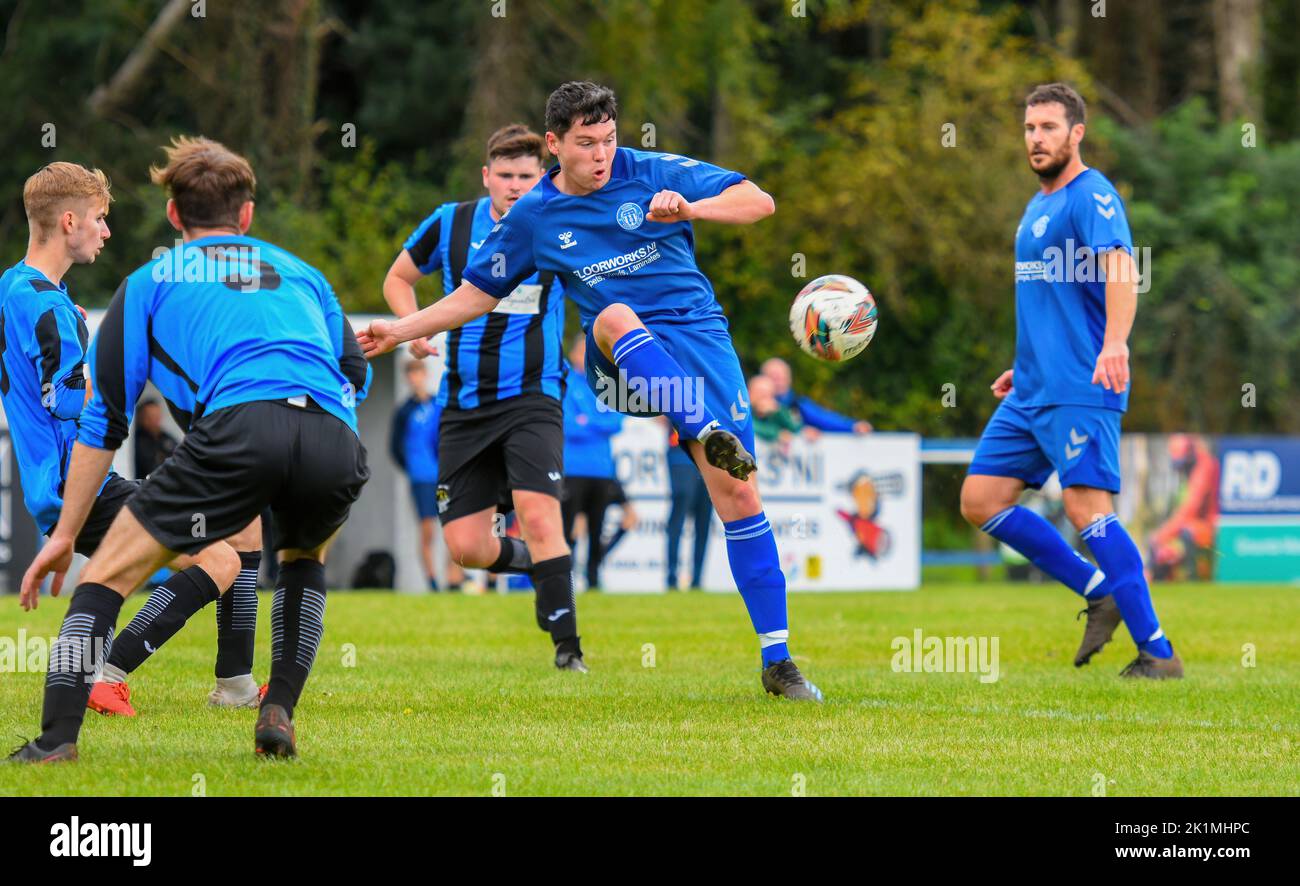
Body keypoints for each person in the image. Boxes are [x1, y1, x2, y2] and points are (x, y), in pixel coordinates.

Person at [362, 81, 823, 701]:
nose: (602, 155)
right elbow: (474, 295)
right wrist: (400, 331)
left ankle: (778, 659)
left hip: (699, 339)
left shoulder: (652, 170)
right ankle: (699, 425)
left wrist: (691, 209)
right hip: (620, 361)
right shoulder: (536, 215)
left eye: (608, 140)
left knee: (739, 495)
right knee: (611, 317)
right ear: (554, 145)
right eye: (585, 144)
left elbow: (758, 202)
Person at [10, 136, 370, 763]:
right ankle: (270, 704)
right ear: (249, 216)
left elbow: (104, 417)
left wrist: (64, 533)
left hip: (240, 433)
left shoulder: (150, 281)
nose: (105, 228)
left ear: (174, 217)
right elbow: (355, 374)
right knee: (292, 557)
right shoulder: (303, 273)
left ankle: (57, 738)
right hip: (333, 440)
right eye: (98, 216)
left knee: (106, 580)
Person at [0, 161, 263, 729]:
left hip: (61, 480)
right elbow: (68, 398)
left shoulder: (15, 286)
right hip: (77, 482)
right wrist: (116, 374)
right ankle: (110, 673)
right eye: (99, 219)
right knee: (220, 560)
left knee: (239, 529)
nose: (106, 230)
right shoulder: (48, 305)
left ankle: (235, 684)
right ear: (69, 221)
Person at [959, 83, 1182, 679]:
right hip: (1031, 387)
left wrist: (1115, 344)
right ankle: (1096, 589)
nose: (1036, 139)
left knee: (1088, 511)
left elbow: (1121, 270)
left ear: (1076, 133)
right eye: (1030, 128)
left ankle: (1158, 654)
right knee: (980, 500)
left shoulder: (1093, 196)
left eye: (1049, 128)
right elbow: (1051, 300)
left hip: (1082, 384)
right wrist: (1025, 362)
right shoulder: (1036, 206)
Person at [381, 124, 583, 671]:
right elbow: (398, 279)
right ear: (487, 175)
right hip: (464, 403)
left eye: (527, 175)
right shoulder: (450, 222)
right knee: (467, 549)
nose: (517, 186)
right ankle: (546, 567)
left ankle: (569, 651)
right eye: (507, 175)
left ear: (541, 175)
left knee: (542, 519)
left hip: (534, 396)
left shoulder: (557, 220)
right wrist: (412, 327)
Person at [390, 360, 464, 591]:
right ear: (407, 378)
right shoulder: (404, 411)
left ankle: (454, 579)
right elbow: (394, 447)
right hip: (421, 480)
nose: (415, 379)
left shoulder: (438, 404)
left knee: (451, 527)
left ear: (425, 375)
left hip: (442, 479)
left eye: (418, 373)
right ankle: (432, 581)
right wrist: (413, 468)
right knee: (427, 530)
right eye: (411, 374)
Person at [560, 334, 623, 590]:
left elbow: (616, 422)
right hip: (573, 468)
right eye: (581, 352)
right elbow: (567, 425)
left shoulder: (607, 383)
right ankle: (564, 580)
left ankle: (594, 579)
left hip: (602, 470)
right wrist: (595, 423)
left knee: (597, 530)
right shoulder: (565, 383)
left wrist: (588, 420)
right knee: (566, 530)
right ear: (574, 354)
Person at [760, 357, 872, 434]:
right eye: (773, 377)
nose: (778, 381)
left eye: (781, 377)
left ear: (789, 378)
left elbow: (824, 418)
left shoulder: (797, 404)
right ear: (762, 380)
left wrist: (853, 426)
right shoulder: (751, 407)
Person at [664, 427, 712, 592]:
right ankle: (671, 579)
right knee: (678, 519)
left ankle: (697, 580)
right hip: (681, 455)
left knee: (704, 520)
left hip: (708, 457)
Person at [749, 373, 819, 454]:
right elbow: (752, 427)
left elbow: (794, 426)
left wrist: (778, 411)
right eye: (760, 392)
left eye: (769, 394)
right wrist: (778, 434)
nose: (764, 397)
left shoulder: (776, 411)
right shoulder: (744, 411)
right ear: (749, 392)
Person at [132, 398, 178, 479]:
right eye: (150, 417)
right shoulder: (137, 441)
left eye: (157, 416)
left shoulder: (166, 437)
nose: (155, 420)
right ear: (142, 418)